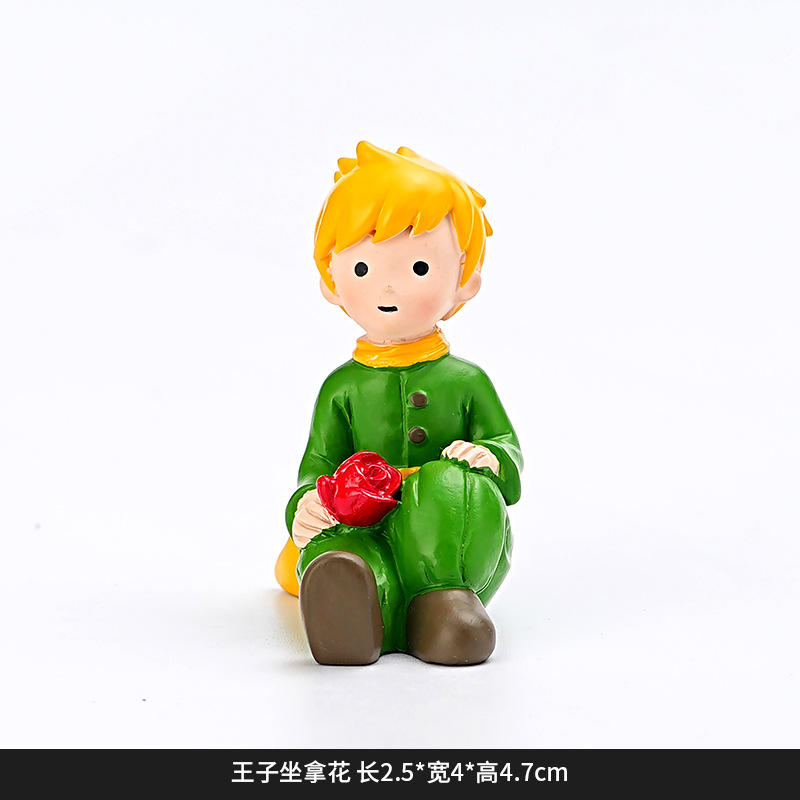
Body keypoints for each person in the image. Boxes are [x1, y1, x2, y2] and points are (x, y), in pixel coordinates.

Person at [276, 141, 522, 665]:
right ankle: (352, 597)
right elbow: (317, 465)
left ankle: (443, 604)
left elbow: (505, 445)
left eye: (419, 267)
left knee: (452, 488)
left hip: (446, 530)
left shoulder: (467, 381)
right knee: (341, 548)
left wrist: (491, 457)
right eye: (363, 269)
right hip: (363, 521)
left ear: (465, 280)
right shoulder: (342, 388)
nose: (388, 287)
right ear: (332, 281)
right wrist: (307, 506)